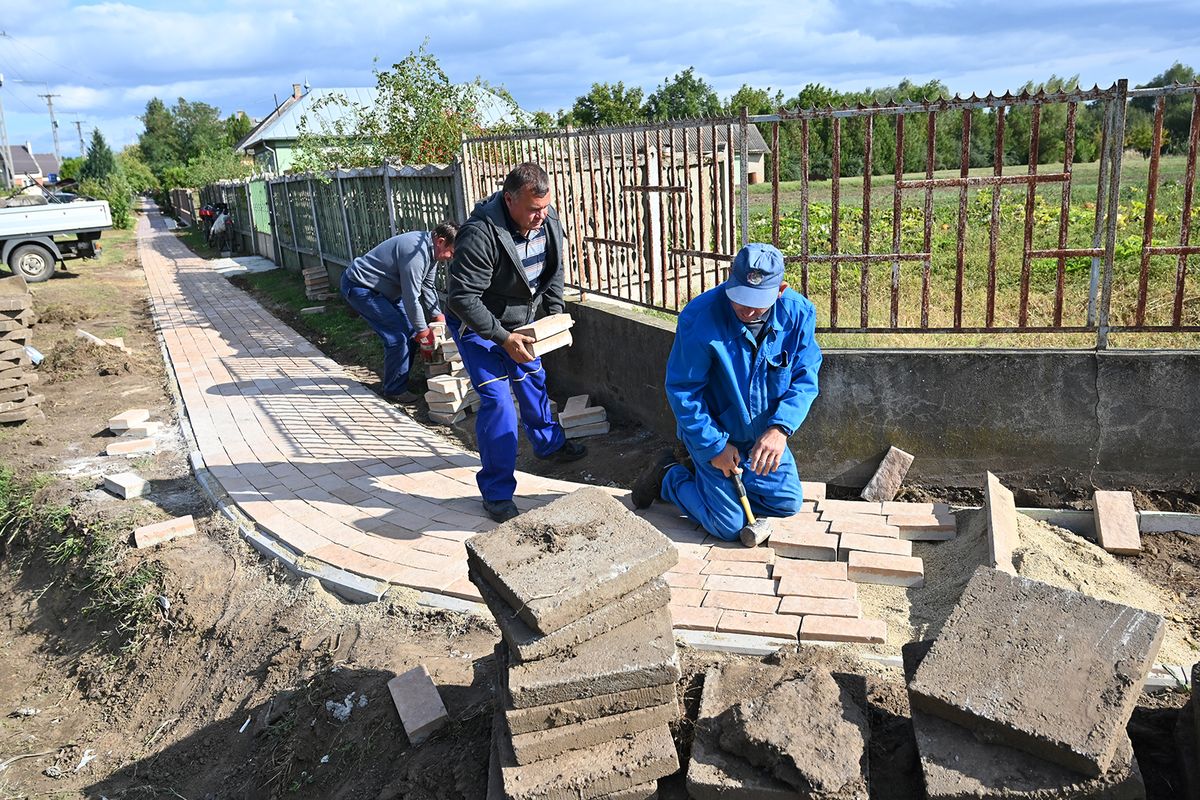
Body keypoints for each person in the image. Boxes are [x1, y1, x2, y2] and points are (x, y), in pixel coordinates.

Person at [632, 242, 822, 541]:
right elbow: (684, 391)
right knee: (729, 526)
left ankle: (712, 485)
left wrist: (780, 429)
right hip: (713, 433)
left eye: (757, 302)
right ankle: (671, 476)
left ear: (781, 290)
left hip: (762, 435)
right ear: (729, 279)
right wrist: (715, 447)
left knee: (786, 503)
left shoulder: (798, 314)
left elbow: (804, 377)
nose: (746, 310)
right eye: (740, 298)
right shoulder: (700, 316)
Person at [446, 163, 586, 522]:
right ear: (509, 200)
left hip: (522, 325)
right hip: (479, 329)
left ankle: (548, 444)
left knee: (532, 379)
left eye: (545, 207)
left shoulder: (546, 219)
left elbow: (553, 272)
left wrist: (553, 317)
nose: (542, 216)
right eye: (533, 209)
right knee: (498, 403)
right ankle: (496, 492)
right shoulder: (480, 234)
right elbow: (462, 298)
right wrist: (503, 338)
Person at [340, 222, 458, 403]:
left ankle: (401, 379)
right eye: (451, 252)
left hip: (387, 290)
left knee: (411, 333)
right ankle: (394, 389)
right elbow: (411, 297)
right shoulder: (415, 253)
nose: (451, 257)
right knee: (397, 337)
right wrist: (424, 332)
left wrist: (437, 316)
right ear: (441, 241)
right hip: (362, 287)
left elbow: (427, 285)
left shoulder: (431, 251)